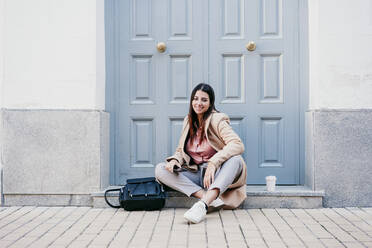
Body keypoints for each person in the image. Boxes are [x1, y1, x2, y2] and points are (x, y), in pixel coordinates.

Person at [155, 83, 247, 224]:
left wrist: (213, 162)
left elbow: (237, 144)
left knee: (236, 160)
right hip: (196, 174)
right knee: (160, 169)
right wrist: (175, 160)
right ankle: (208, 198)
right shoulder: (188, 120)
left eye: (204, 100)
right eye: (195, 99)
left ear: (210, 103)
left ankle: (201, 206)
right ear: (191, 100)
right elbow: (181, 150)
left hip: (216, 175)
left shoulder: (218, 119)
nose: (198, 103)